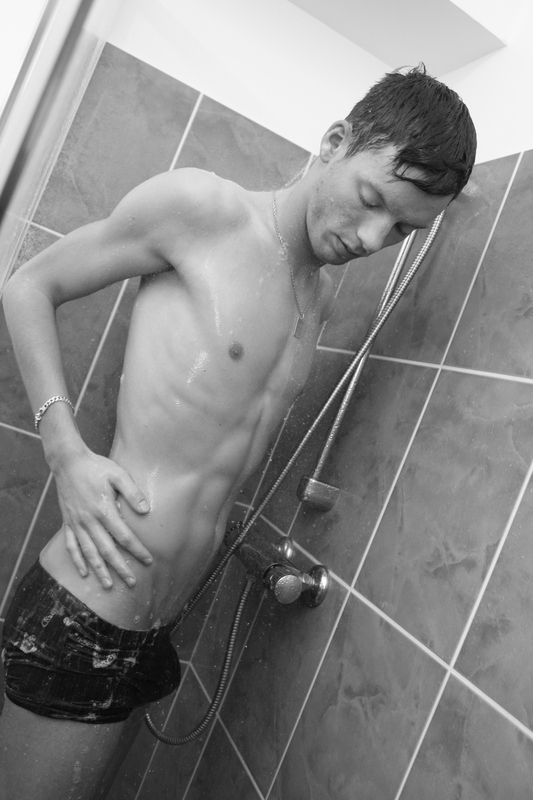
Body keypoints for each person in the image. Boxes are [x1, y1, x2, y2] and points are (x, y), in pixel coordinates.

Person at [0, 65, 476, 800]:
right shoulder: (203, 211)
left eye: (402, 229)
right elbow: (30, 284)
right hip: (88, 605)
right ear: (334, 142)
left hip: (152, 626)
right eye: (371, 200)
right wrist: (65, 450)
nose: (372, 237)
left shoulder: (315, 300)